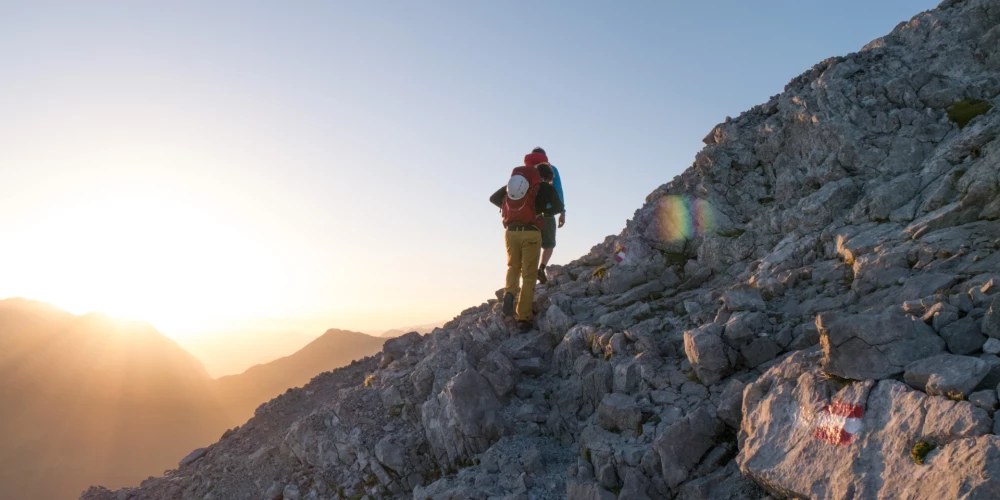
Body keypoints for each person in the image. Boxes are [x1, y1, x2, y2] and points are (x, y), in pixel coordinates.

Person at [489, 153, 564, 331]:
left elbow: (493, 198)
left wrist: (508, 208)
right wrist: (541, 212)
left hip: (510, 233)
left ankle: (509, 293)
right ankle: (523, 317)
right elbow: (558, 207)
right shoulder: (545, 188)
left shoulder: (519, 185)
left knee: (513, 267)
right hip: (532, 233)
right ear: (548, 177)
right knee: (529, 276)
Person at [531, 147, 565, 284]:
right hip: (549, 213)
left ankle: (530, 273)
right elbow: (558, 190)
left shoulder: (528, 171)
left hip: (531, 214)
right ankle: (541, 268)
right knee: (549, 244)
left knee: (533, 243)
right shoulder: (552, 169)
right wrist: (562, 212)